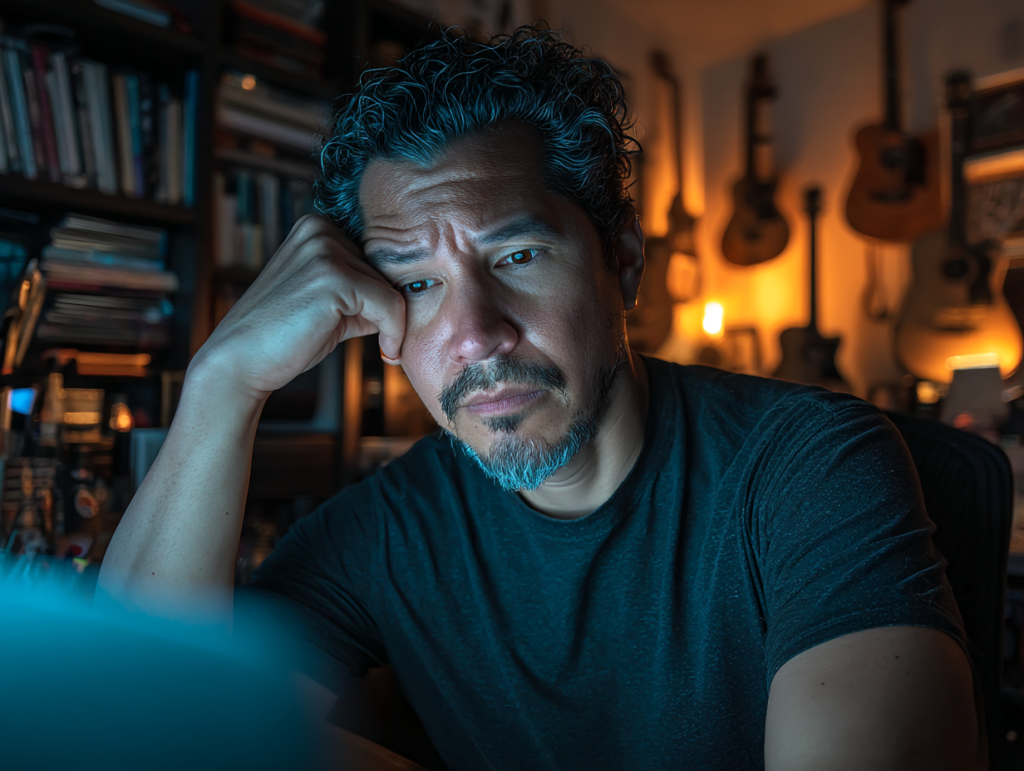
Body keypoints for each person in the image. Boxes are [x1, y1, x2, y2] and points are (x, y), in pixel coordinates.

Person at [97, 27, 983, 770]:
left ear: (623, 263)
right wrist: (222, 381)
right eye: (417, 283)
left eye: (517, 256)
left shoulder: (809, 466)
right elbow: (129, 726)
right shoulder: (384, 533)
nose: (475, 336)